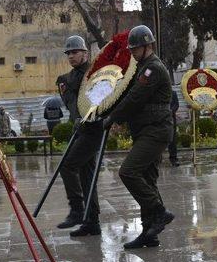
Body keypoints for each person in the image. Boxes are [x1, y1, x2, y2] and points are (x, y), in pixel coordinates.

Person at [101, 25, 174, 249]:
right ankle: (149, 232)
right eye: (131, 49)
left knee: (128, 172)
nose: (132, 52)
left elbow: (135, 98)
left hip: (156, 130)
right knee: (148, 180)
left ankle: (160, 212)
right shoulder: (143, 66)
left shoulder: (153, 69)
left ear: (148, 46)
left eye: (136, 48)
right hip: (146, 130)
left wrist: (112, 118)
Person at [55, 35, 105, 237]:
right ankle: (92, 221)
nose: (71, 56)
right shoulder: (70, 77)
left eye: (75, 52)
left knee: (67, 165)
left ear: (85, 52)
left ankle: (77, 209)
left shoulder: (94, 74)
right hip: (80, 129)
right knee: (87, 177)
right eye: (68, 53)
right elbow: (71, 105)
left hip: (93, 129)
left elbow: (100, 101)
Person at [168, 90, 180, 166]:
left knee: (172, 140)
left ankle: (173, 158)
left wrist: (170, 111)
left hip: (171, 119)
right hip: (159, 119)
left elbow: (176, 104)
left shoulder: (173, 93)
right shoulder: (158, 92)